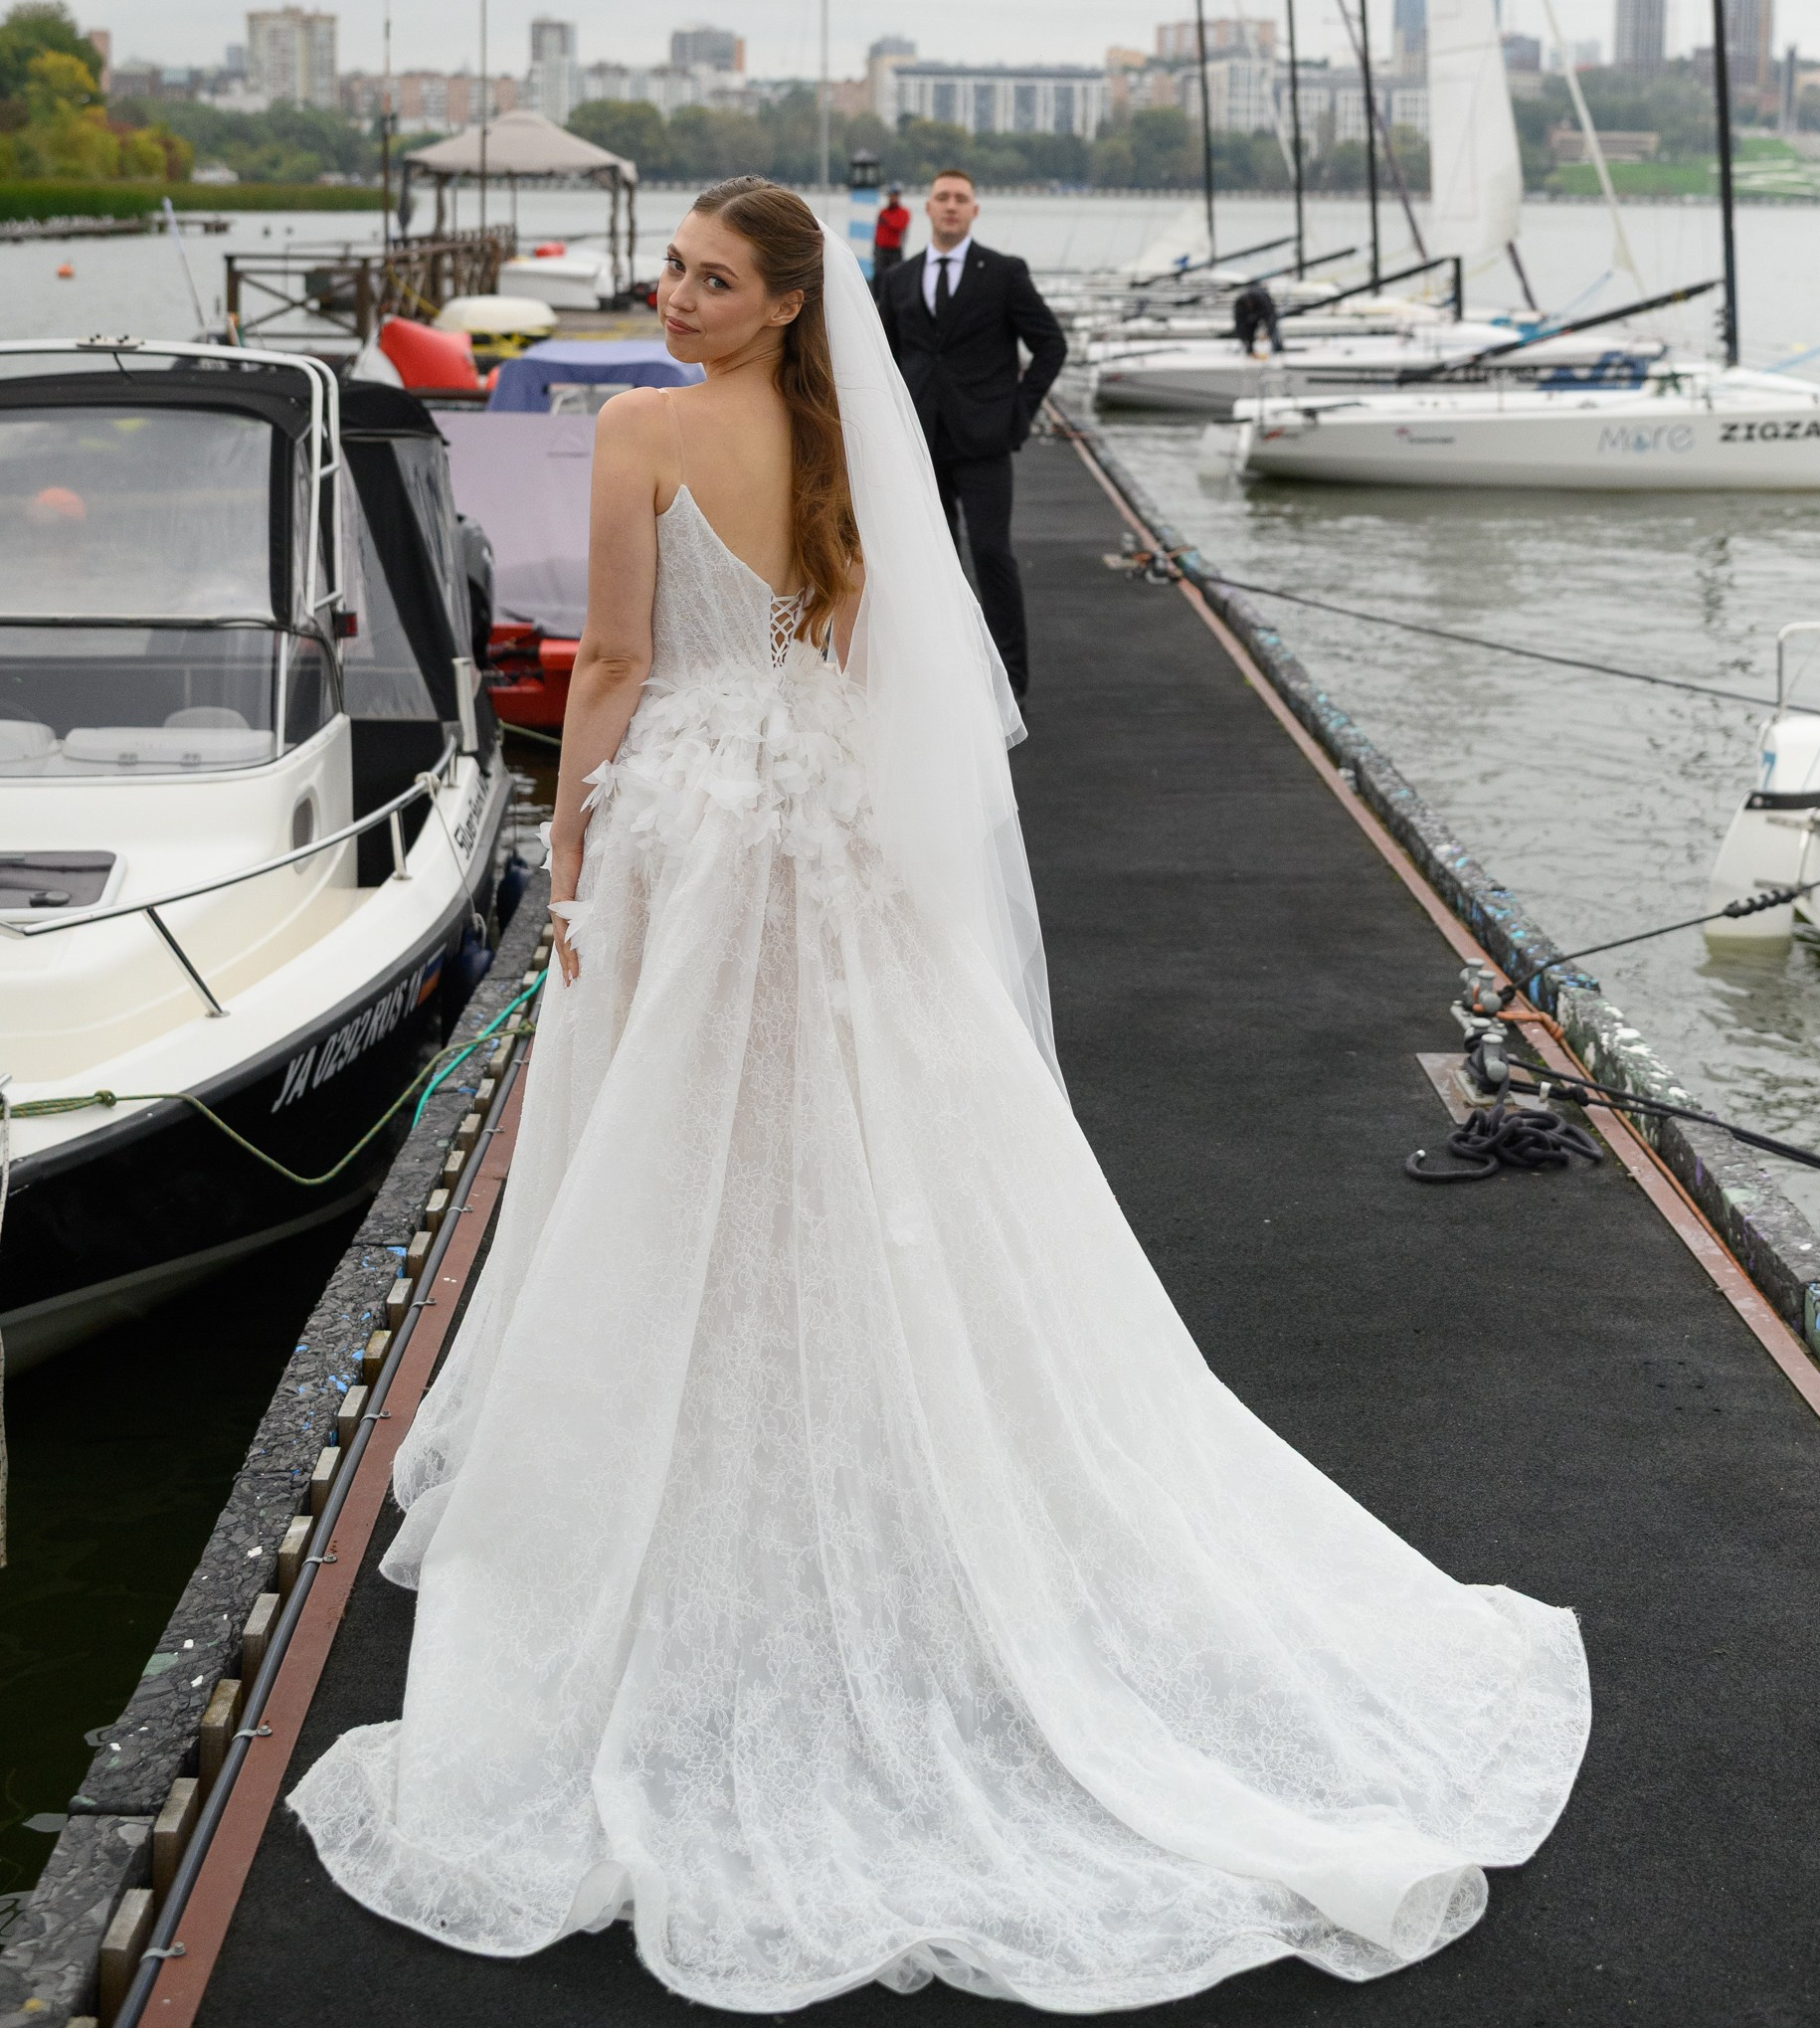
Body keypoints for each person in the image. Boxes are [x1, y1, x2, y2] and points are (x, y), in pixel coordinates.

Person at [290, 175, 1588, 2010]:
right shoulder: (835, 441)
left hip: (688, 827)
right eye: (669, 268)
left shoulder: (646, 430)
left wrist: (567, 865)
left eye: (705, 277)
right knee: (857, 1133)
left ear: (768, 302)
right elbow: (875, 666)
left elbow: (623, 674)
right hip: (825, 827)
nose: (671, 296)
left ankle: (682, 1465)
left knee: (671, 1146)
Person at [876, 165, 1066, 701]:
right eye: (943, 197)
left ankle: (1011, 675)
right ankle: (944, 667)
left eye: (961, 198)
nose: (952, 205)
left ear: (974, 210)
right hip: (919, 439)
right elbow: (882, 358)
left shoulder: (1003, 273)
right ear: (928, 208)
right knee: (932, 560)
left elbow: (1051, 344)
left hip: (984, 439)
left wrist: (1020, 411)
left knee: (991, 552)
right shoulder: (899, 279)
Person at [871, 179, 910, 273]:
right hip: (881, 251)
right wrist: (875, 248)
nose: (892, 198)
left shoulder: (903, 212)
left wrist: (887, 222)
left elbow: (899, 226)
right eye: (891, 195)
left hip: (895, 251)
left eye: (895, 195)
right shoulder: (883, 212)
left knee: (895, 277)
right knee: (879, 278)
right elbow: (878, 231)